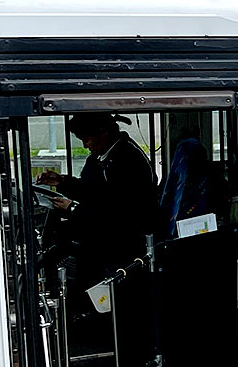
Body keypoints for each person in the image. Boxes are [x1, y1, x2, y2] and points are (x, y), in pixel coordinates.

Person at [37, 113, 159, 287]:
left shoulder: (129, 161)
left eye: (87, 139)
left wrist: (73, 209)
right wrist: (62, 182)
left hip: (122, 246)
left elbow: (117, 212)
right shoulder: (99, 157)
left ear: (103, 133)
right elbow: (92, 190)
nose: (85, 145)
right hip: (101, 237)